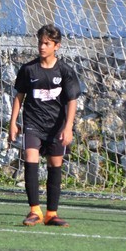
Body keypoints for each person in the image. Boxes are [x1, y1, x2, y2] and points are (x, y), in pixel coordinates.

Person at [8, 24, 81, 227]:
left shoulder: (65, 71)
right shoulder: (28, 69)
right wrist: (13, 122)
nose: (42, 47)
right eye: (40, 42)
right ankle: (34, 211)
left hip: (56, 127)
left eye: (47, 43)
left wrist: (68, 127)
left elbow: (72, 101)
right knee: (30, 159)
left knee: (55, 166)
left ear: (56, 46)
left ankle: (51, 214)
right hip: (33, 124)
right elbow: (19, 96)